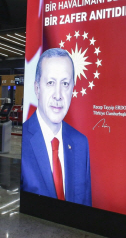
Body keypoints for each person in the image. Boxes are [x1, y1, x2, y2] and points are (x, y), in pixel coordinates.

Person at [21, 48, 92, 206]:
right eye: (50, 83)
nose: (58, 95)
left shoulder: (81, 143)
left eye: (65, 83)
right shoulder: (21, 141)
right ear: (37, 88)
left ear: (73, 88)